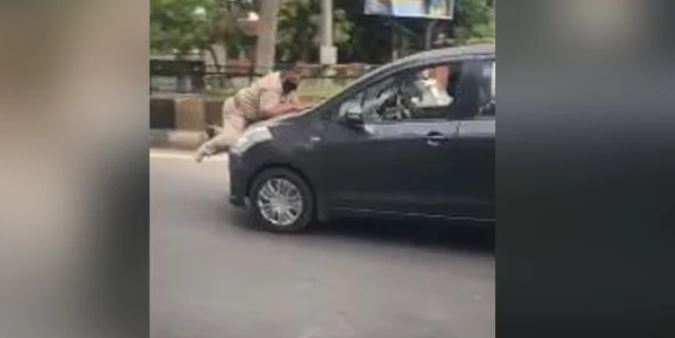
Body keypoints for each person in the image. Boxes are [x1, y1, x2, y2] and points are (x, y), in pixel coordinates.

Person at [195, 68, 306, 162]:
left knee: (249, 144)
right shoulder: (271, 87)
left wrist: (302, 108)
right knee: (235, 141)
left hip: (252, 114)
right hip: (237, 110)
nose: (293, 88)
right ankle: (206, 148)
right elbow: (268, 112)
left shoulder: (288, 86)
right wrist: (293, 107)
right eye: (292, 84)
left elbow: (295, 104)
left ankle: (217, 132)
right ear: (284, 79)